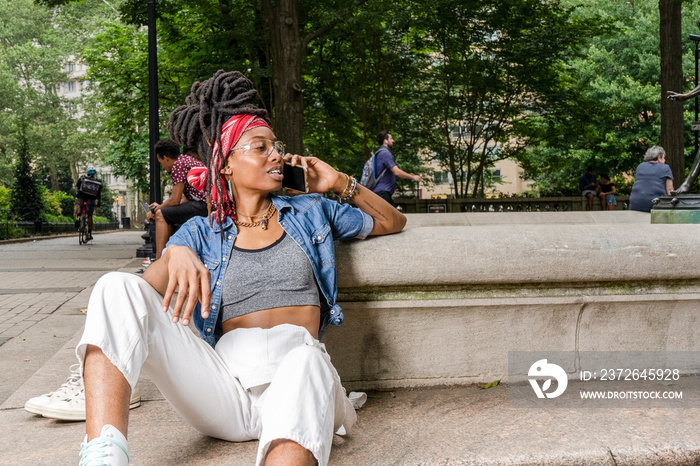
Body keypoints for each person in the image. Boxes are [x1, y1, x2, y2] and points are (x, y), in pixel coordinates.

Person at [76, 70, 406, 466]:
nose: (276, 155)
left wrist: (339, 183)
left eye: (276, 146)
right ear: (226, 164)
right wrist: (175, 252)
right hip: (223, 389)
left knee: (306, 360)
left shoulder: (311, 212)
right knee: (114, 285)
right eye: (260, 147)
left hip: (297, 378)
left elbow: (392, 222)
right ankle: (104, 455)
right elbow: (131, 309)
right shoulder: (201, 231)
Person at [146, 138, 208, 260]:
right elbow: (182, 200)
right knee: (165, 213)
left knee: (161, 215)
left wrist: (155, 210)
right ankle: (168, 255)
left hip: (204, 205)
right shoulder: (186, 161)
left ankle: (159, 260)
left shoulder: (178, 166)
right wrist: (161, 206)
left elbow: (174, 200)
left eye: (161, 163)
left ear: (165, 158)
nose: (163, 167)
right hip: (204, 203)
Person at [371, 131, 422, 206]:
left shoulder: (380, 153)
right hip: (382, 194)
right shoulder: (385, 153)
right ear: (385, 141)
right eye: (391, 138)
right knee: (393, 217)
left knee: (390, 217)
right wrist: (413, 177)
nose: (393, 140)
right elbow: (396, 172)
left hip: (381, 193)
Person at [629, 146, 674, 212]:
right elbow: (670, 190)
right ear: (659, 157)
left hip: (635, 203)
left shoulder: (640, 166)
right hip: (654, 203)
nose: (664, 161)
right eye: (664, 158)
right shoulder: (665, 168)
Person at [74, 167, 102, 241]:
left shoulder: (82, 178)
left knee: (80, 204)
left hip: (82, 197)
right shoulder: (97, 182)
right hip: (91, 199)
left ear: (87, 172)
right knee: (90, 215)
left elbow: (78, 188)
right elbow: (98, 194)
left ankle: (79, 217)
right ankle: (89, 233)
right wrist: (99, 202)